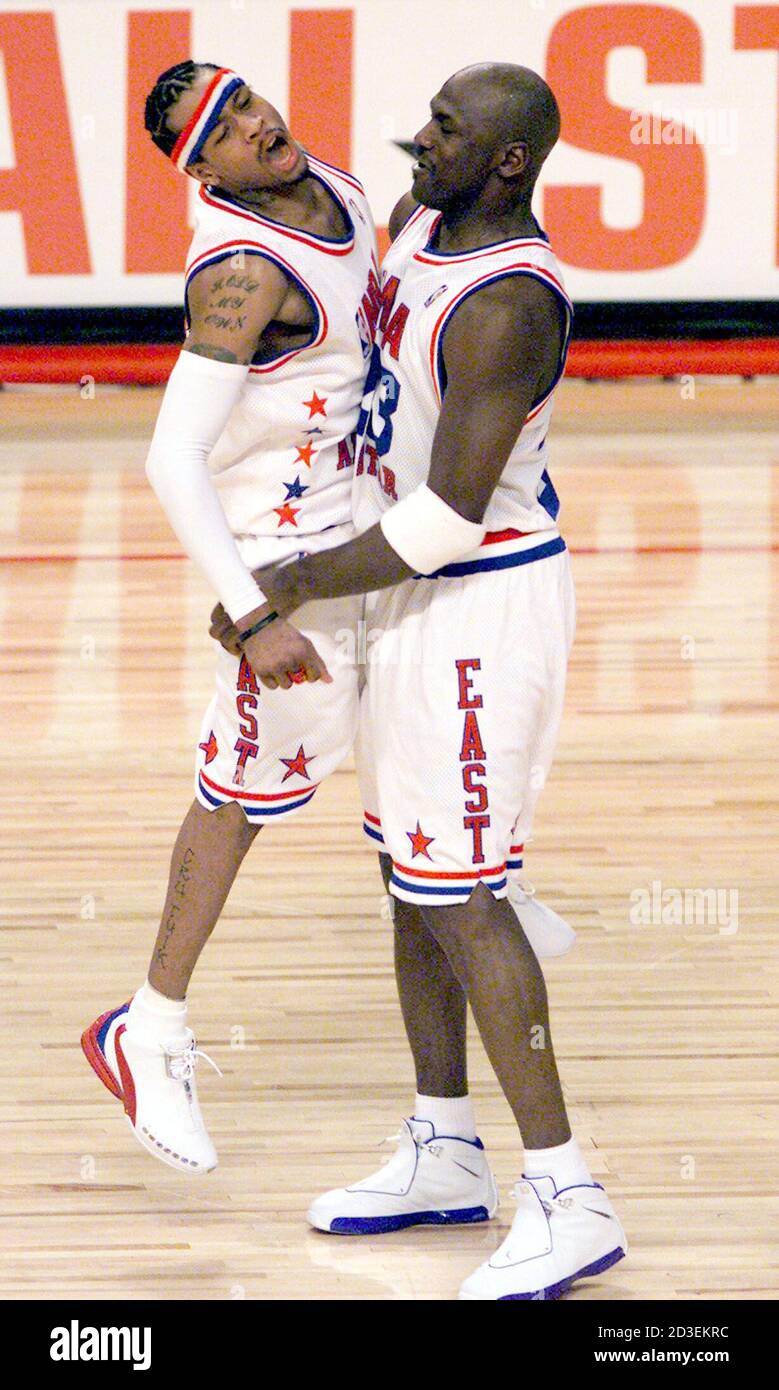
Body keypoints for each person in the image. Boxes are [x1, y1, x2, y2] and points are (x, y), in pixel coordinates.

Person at [211, 63, 627, 1300]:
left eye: (445, 128)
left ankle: (567, 1191)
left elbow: (447, 516)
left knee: (463, 895)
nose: (414, 136)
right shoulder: (420, 224)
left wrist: (284, 577)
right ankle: (445, 1143)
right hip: (406, 594)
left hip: (479, 597)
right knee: (411, 872)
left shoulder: (510, 302)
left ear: (506, 162)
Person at [81, 60, 379, 1174]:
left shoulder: (330, 187)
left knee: (421, 730)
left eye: (245, 97)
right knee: (240, 795)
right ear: (199, 169)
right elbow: (169, 457)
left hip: (362, 535)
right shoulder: (242, 272)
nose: (255, 123)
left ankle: (494, 881)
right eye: (222, 128)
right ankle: (147, 1026)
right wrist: (252, 613)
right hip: (280, 565)